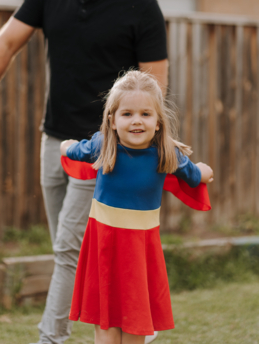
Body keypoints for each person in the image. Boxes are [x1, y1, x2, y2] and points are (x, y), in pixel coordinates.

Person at [0, 0, 168, 344]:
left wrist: (146, 148)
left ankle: (51, 337)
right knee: (74, 251)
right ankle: (125, 321)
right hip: (55, 141)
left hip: (105, 153)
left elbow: (155, 89)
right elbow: (8, 41)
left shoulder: (142, 7)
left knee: (68, 249)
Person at [60, 71, 214, 344]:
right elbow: (76, 151)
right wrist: (66, 146)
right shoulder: (102, 144)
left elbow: (192, 175)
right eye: (127, 114)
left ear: (158, 123)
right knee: (105, 328)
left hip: (139, 250)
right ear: (112, 120)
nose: (136, 121)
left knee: (134, 327)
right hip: (103, 246)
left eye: (145, 114)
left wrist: (203, 171)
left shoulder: (168, 154)